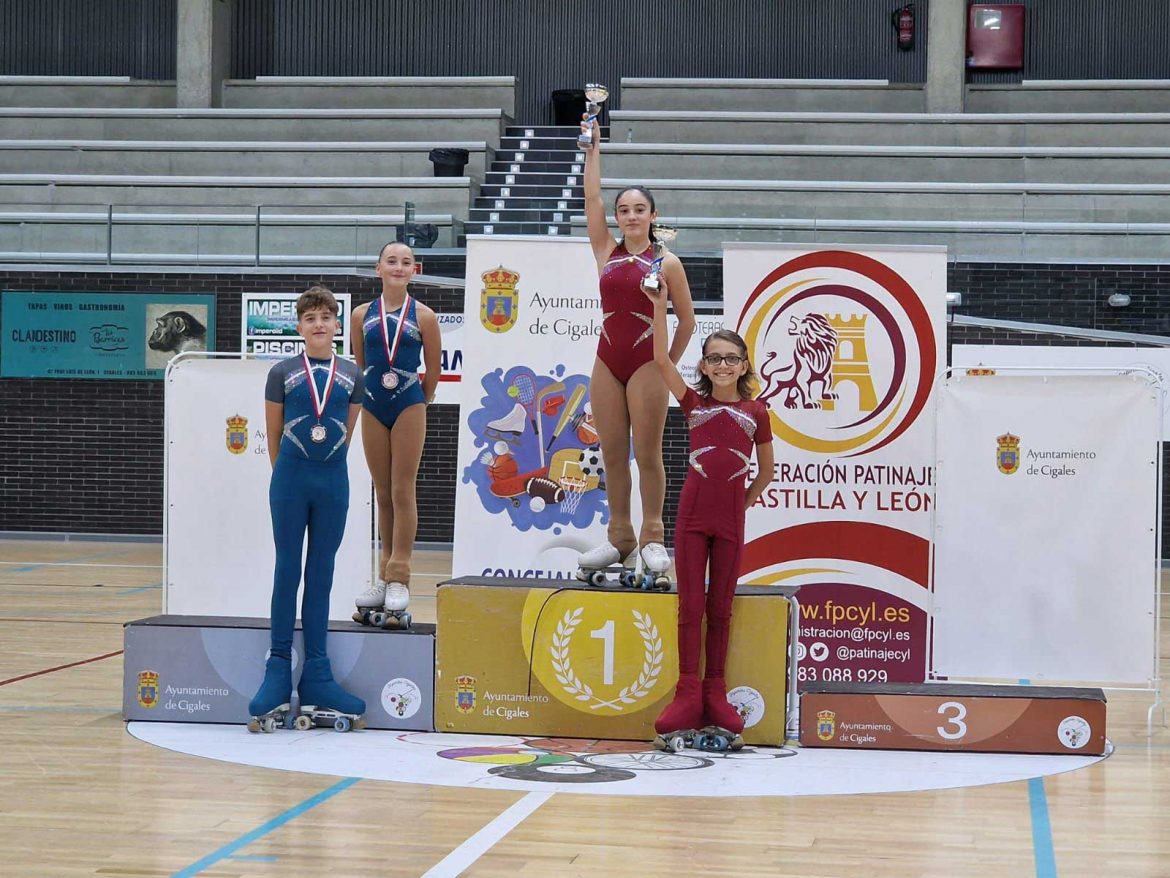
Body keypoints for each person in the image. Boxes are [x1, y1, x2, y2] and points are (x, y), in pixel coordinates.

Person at [641, 279, 774, 749]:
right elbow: (660, 360)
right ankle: (687, 692)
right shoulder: (693, 404)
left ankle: (715, 692)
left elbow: (768, 471)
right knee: (690, 607)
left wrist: (743, 501)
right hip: (693, 517)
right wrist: (660, 308)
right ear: (704, 365)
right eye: (714, 358)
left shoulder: (756, 411)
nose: (722, 365)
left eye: (730, 358)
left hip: (730, 519)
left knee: (720, 610)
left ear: (744, 366)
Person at [576, 115, 696, 586]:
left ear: (652, 215)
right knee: (611, 454)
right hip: (607, 362)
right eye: (623, 209)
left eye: (638, 209)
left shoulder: (668, 261)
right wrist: (592, 150)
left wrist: (666, 365)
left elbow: (686, 320)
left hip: (647, 365)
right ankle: (619, 534)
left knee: (647, 453)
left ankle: (652, 536)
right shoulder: (605, 249)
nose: (629, 215)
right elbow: (590, 198)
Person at [249, 286, 367, 730]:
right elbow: (274, 437)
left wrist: (323, 470)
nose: (319, 324)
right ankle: (278, 669)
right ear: (298, 327)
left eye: (326, 317)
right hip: (291, 480)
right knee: (287, 570)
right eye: (310, 318)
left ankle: (317, 674)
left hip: (333, 480)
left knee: (322, 574)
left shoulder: (353, 375)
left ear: (337, 325)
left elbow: (346, 434)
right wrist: (291, 478)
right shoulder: (281, 372)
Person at [351, 242, 441, 626]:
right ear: (378, 269)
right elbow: (360, 362)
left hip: (408, 404)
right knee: (382, 492)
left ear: (414, 270)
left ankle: (401, 574)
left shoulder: (425, 316)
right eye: (392, 261)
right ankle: (385, 572)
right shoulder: (360, 315)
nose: (399, 267)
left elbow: (433, 372)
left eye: (406, 262)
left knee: (404, 490)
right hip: (373, 404)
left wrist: (418, 401)